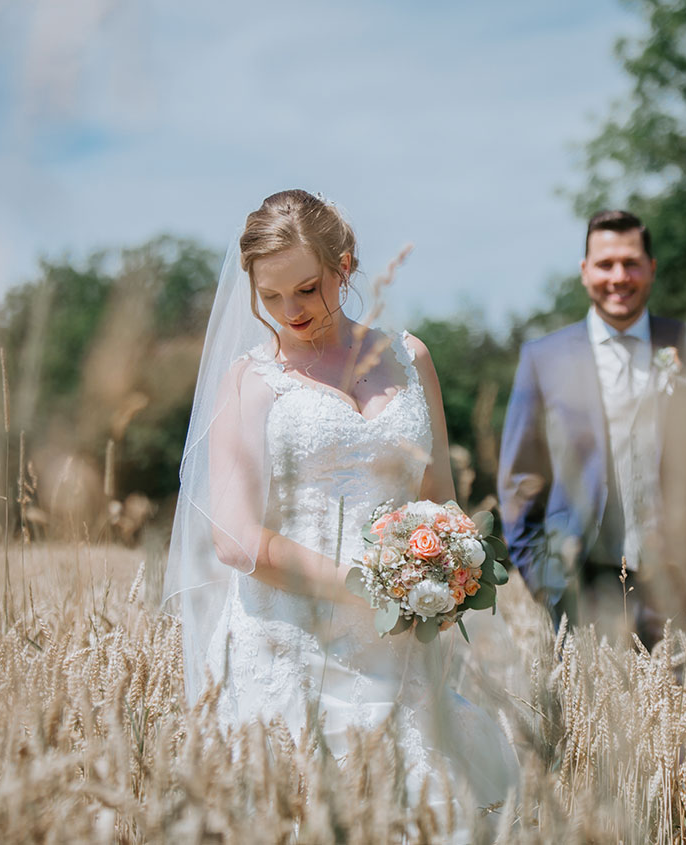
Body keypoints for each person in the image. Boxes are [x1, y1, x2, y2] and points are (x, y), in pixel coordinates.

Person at [164, 190, 517, 814]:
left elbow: (440, 501)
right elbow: (236, 537)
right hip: (289, 639)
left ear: (344, 267)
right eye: (268, 296)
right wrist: (367, 585)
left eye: (306, 288)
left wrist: (446, 572)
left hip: (404, 637)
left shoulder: (410, 358)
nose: (288, 311)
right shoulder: (251, 377)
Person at [497, 209, 686, 651]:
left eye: (631, 263)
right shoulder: (545, 358)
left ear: (651, 268)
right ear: (584, 272)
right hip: (581, 586)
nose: (619, 277)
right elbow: (520, 479)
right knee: (594, 720)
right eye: (605, 264)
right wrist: (544, 579)